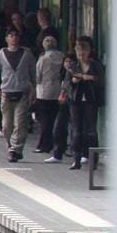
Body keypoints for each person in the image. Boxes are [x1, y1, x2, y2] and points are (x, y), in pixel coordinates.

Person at [0, 26, 37, 162]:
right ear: (6, 39)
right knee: (6, 125)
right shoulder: (0, 55)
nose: (14, 38)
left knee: (20, 123)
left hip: (23, 92)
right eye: (11, 35)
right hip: (6, 93)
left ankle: (16, 149)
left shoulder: (27, 54)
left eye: (16, 35)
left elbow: (33, 73)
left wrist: (34, 89)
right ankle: (10, 144)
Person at [63, 36, 104, 170]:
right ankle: (76, 159)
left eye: (84, 51)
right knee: (77, 131)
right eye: (79, 52)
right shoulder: (73, 66)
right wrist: (74, 82)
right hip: (76, 101)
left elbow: (102, 82)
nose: (81, 54)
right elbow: (67, 84)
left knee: (91, 131)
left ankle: (93, 160)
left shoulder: (95, 65)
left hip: (91, 100)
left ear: (88, 51)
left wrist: (91, 78)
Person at [33, 32, 68, 161]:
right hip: (58, 90)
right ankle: (57, 144)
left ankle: (44, 144)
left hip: (44, 91)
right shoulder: (62, 56)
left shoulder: (43, 58)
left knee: (44, 120)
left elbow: (38, 76)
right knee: (56, 119)